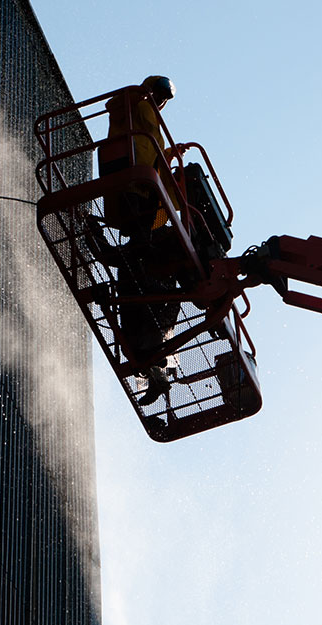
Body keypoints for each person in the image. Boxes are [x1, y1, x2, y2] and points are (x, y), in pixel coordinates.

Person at [96, 75, 181, 406]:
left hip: (152, 200)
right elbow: (116, 106)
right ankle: (157, 375)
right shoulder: (134, 105)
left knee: (145, 249)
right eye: (159, 96)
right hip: (139, 188)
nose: (160, 103)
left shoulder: (149, 120)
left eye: (163, 99)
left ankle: (157, 375)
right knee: (144, 249)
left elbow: (155, 159)